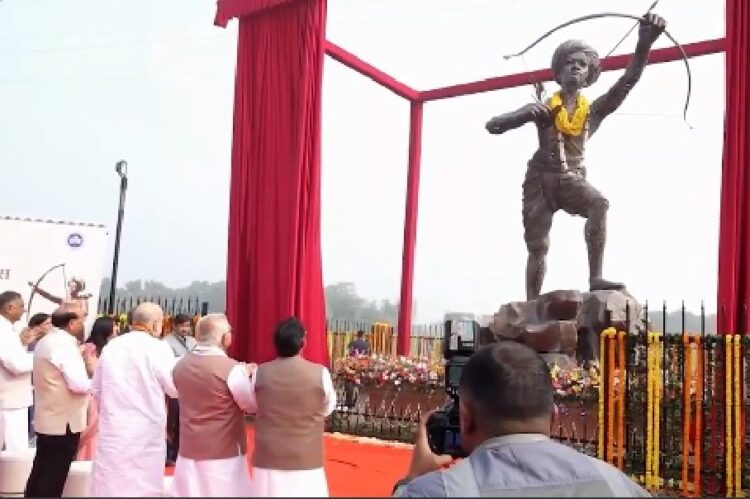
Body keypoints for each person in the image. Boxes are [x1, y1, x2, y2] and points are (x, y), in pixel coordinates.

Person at [485, 14, 666, 300]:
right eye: (569, 62)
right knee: (537, 246)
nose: (575, 67)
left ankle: (595, 278)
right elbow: (493, 125)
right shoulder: (544, 108)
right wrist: (522, 115)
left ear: (589, 76)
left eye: (582, 64)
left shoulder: (591, 113)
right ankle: (532, 302)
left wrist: (644, 43)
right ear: (558, 72)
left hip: (571, 178)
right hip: (540, 179)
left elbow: (627, 82)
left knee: (599, 204)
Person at [392, 342, 649, 497]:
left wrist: (411, 479)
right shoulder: (620, 485)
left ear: (466, 418)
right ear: (554, 416)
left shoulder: (436, 491)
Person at [90, 302, 178, 497]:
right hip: (146, 428)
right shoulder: (158, 348)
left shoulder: (113, 346)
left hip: (114, 426)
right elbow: (173, 388)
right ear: (155, 323)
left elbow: (95, 387)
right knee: (144, 483)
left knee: (111, 480)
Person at [247, 317, 337, 497]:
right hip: (306, 453)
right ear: (303, 342)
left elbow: (254, 405)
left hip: (269, 454)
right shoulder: (320, 373)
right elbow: (328, 406)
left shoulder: (260, 372)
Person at [169, 314, 256, 497]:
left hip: (189, 446)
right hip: (223, 449)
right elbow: (250, 405)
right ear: (225, 337)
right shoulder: (231, 369)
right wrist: (249, 377)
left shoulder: (179, 365)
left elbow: (175, 392)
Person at [25, 303, 91, 498]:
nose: (83, 322)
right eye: (82, 318)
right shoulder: (62, 344)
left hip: (52, 417)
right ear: (71, 323)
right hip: (63, 422)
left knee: (42, 471)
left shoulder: (50, 341)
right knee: (52, 475)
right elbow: (78, 384)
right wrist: (101, 382)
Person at [0, 291, 38, 452]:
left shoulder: (7, 329)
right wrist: (41, 359)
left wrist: (22, 344)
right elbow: (16, 365)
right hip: (10, 400)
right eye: (21, 306)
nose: (24, 310)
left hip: (11, 399)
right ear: (9, 307)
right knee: (15, 452)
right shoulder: (3, 330)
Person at [77, 317, 119, 461]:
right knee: (91, 433)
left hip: (105, 394)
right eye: (114, 326)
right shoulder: (90, 348)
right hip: (92, 396)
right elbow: (92, 370)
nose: (117, 329)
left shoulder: (110, 347)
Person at [162, 313, 196, 464]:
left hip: (190, 386)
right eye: (182, 325)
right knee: (172, 422)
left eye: (187, 325)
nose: (185, 329)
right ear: (174, 326)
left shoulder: (193, 341)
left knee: (186, 421)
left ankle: (181, 452)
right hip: (173, 385)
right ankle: (169, 453)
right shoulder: (166, 342)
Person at [25, 313, 52, 442]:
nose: (51, 326)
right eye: (47, 324)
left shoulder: (44, 342)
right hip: (32, 387)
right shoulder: (33, 344)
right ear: (37, 327)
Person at [27, 278, 93, 318]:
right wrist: (36, 288)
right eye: (70, 286)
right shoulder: (65, 301)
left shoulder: (83, 301)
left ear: (79, 289)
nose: (71, 289)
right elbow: (49, 296)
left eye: (74, 287)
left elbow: (84, 314)